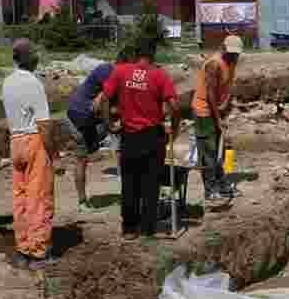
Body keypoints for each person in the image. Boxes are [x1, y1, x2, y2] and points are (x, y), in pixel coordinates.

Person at [102, 36, 180, 240]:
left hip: (129, 136)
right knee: (151, 183)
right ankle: (147, 227)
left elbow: (104, 99)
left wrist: (109, 124)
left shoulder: (120, 71)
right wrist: (176, 129)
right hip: (152, 137)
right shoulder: (159, 76)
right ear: (153, 54)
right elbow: (175, 106)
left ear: (136, 54)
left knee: (129, 183)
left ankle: (129, 228)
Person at [2, 39, 58, 270]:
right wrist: (53, 153)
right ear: (31, 59)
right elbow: (43, 123)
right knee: (39, 197)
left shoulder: (6, 82)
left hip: (15, 140)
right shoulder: (34, 83)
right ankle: (39, 253)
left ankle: (23, 248)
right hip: (34, 140)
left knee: (21, 198)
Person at [63, 51, 127, 213]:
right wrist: (114, 124)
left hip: (80, 118)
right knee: (82, 158)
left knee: (82, 159)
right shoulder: (108, 71)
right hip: (82, 118)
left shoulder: (109, 72)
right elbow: (102, 103)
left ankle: (82, 202)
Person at [191, 35, 242, 201]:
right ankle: (210, 189)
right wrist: (217, 118)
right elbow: (211, 93)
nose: (234, 56)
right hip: (204, 111)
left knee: (221, 150)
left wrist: (226, 110)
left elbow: (227, 88)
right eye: (231, 53)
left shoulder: (232, 62)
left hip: (217, 110)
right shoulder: (214, 64)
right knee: (208, 152)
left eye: (236, 54)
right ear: (223, 48)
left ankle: (223, 185)